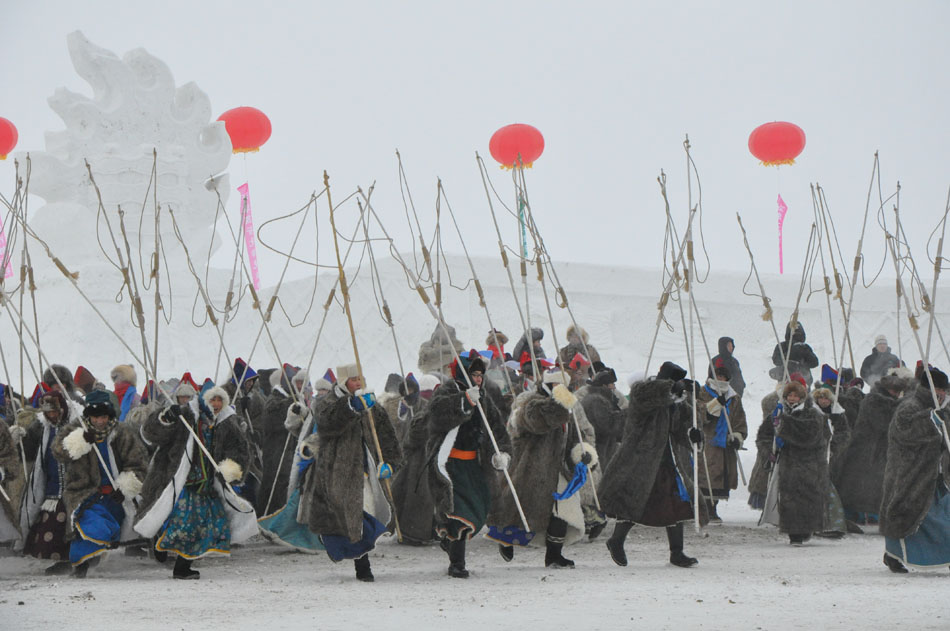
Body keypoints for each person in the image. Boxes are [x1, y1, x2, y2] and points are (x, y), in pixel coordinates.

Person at [134, 385, 256, 579]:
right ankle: (160, 543)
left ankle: (182, 567)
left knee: (207, 526)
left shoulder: (227, 421)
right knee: (177, 521)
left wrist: (231, 467)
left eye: (219, 400)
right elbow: (150, 434)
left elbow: (239, 449)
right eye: (212, 399)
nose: (216, 404)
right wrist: (165, 418)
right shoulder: (184, 416)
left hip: (207, 485)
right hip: (178, 479)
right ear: (204, 399)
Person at [299, 364, 402, 582]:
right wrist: (351, 408)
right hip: (335, 472)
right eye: (354, 379)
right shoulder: (327, 403)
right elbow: (327, 423)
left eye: (360, 378)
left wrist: (390, 462)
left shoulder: (371, 404)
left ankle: (362, 565)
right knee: (342, 518)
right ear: (344, 381)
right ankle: (357, 562)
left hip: (365, 473)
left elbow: (386, 435)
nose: (359, 383)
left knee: (362, 516)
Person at [600, 361, 706, 568]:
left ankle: (677, 552)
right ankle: (617, 540)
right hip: (640, 459)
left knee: (676, 502)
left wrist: (693, 434)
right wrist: (672, 387)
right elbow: (648, 396)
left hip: (668, 458)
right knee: (635, 500)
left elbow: (682, 429)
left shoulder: (677, 404)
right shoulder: (644, 394)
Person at [487, 369, 594, 569]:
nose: (561, 389)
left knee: (563, 511)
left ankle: (554, 555)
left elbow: (575, 435)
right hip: (532, 468)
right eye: (557, 386)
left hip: (559, 469)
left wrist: (581, 453)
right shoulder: (530, 403)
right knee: (520, 508)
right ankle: (505, 539)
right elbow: (536, 423)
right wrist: (558, 405)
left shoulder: (570, 406)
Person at [427, 352, 511, 577]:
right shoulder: (447, 392)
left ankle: (449, 542)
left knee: (478, 508)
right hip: (450, 464)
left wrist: (501, 452)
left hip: (474, 464)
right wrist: (464, 401)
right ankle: (457, 563)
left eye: (480, 375)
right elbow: (437, 415)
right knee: (458, 512)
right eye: (473, 374)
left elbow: (497, 428)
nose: (478, 379)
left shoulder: (484, 397)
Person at [53, 390, 148, 577]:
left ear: (109, 415)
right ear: (89, 416)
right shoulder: (75, 429)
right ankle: (80, 565)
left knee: (107, 529)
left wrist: (126, 487)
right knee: (88, 524)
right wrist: (78, 441)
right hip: (83, 492)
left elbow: (138, 464)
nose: (100, 421)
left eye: (103, 416)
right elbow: (58, 451)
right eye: (95, 417)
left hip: (113, 495)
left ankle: (92, 556)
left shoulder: (122, 434)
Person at [880, 367, 950, 572]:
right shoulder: (909, 406)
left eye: (944, 389)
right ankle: (894, 555)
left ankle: (944, 555)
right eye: (937, 388)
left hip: (936, 475)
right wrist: (930, 421)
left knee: (940, 518)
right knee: (907, 517)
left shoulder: (944, 409)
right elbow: (904, 432)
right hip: (910, 474)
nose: (942, 393)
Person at [834, 369, 911, 526]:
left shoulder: (892, 403)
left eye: (898, 391)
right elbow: (882, 423)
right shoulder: (873, 401)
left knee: (876, 485)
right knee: (857, 484)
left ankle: (871, 514)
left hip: (881, 450)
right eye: (893, 390)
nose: (896, 394)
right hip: (865, 449)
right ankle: (854, 514)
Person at [757, 380, 829, 545]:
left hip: (809, 463)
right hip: (787, 464)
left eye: (796, 395)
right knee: (789, 499)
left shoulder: (812, 413)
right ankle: (793, 531)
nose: (792, 398)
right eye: (789, 395)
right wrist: (770, 451)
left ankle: (807, 528)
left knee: (808, 498)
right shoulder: (777, 413)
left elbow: (812, 436)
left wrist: (785, 426)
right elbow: (764, 435)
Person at [18, 389, 80, 575]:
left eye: (55, 411)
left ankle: (76, 560)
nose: (52, 416)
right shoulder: (45, 429)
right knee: (49, 530)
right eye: (48, 413)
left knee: (71, 526)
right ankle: (63, 560)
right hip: (53, 488)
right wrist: (21, 438)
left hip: (74, 487)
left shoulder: (77, 426)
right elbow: (31, 451)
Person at [696, 362, 747, 523]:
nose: (720, 379)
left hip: (725, 445)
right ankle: (704, 509)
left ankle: (713, 507)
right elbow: (697, 414)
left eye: (723, 377)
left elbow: (740, 421)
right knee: (705, 477)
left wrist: (737, 437)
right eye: (718, 376)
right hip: (706, 443)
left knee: (720, 478)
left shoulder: (733, 397)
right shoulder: (702, 393)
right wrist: (714, 405)